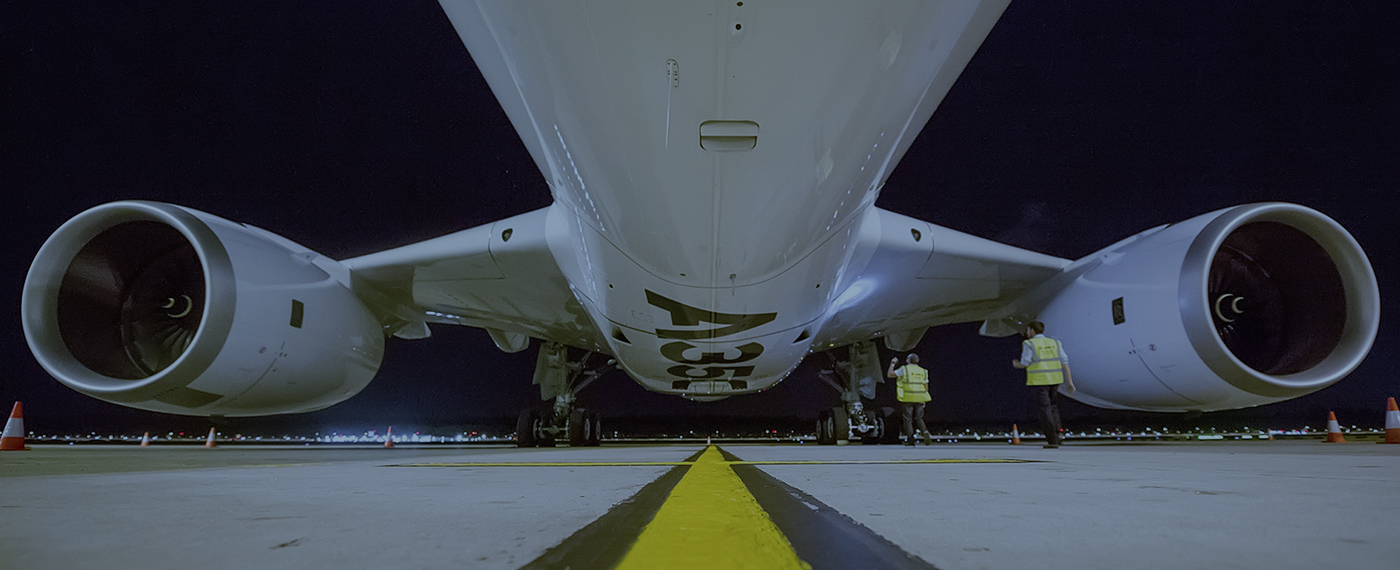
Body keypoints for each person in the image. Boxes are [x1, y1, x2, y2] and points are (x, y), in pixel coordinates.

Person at [1011, 321, 1075, 448]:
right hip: (1055, 380)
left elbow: (1025, 362)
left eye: (1028, 330)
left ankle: (1052, 439)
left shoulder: (1029, 344)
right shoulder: (1055, 343)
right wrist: (1070, 382)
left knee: (1044, 410)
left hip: (1040, 381)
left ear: (1032, 330)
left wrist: (1016, 364)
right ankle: (1058, 434)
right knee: (1053, 407)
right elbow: (1065, 362)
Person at [887, 353, 933, 446]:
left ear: (908, 360)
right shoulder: (923, 371)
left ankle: (911, 439)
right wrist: (924, 398)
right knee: (919, 418)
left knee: (907, 419)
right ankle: (925, 431)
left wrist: (892, 363)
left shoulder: (904, 369)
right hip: (920, 396)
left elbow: (890, 374)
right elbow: (926, 385)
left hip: (908, 397)